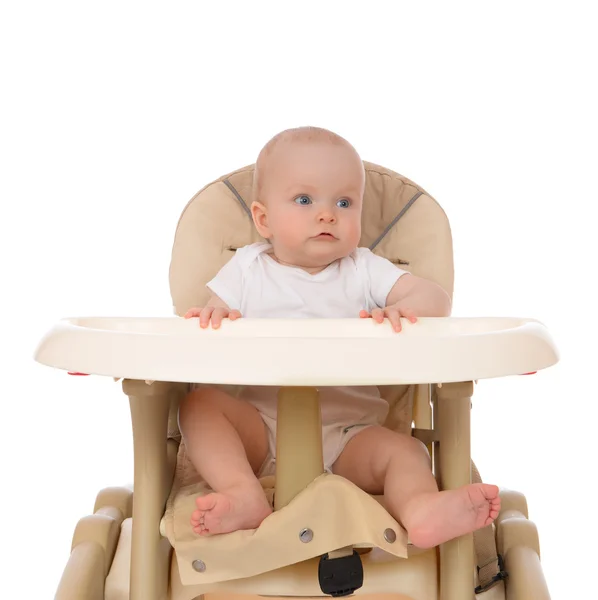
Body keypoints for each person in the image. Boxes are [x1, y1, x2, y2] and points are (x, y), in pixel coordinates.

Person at [178, 126, 500, 548]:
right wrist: (214, 315)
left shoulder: (364, 269)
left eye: (344, 203)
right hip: (260, 431)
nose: (327, 214)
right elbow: (207, 313)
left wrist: (406, 308)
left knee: (406, 453)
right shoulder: (246, 268)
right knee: (198, 406)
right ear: (263, 219)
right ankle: (242, 492)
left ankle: (421, 509)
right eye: (304, 200)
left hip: (352, 434)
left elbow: (434, 298)